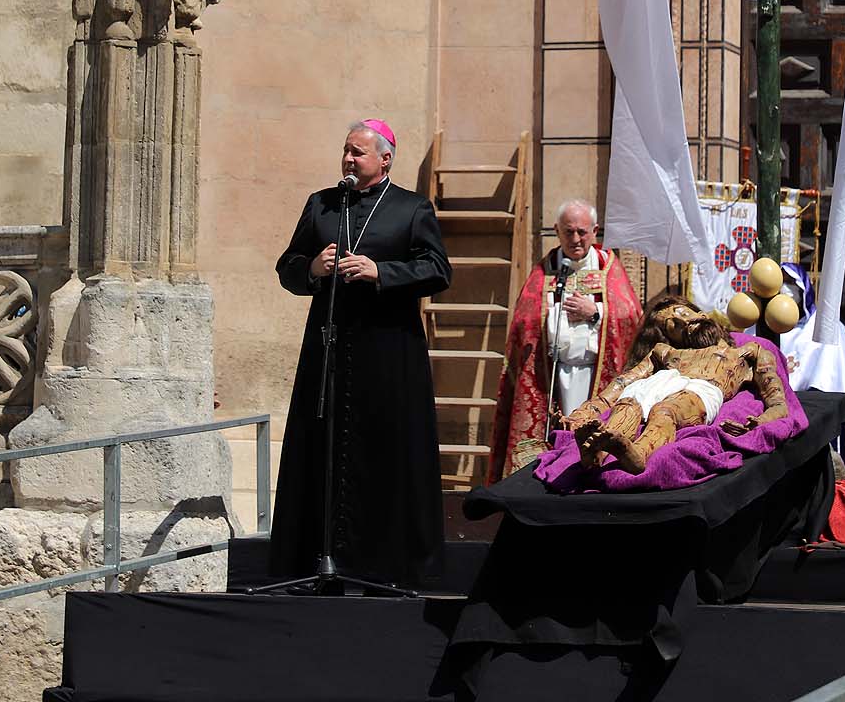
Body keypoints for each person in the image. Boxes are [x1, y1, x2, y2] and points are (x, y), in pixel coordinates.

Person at [269, 119, 452, 588]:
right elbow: (287, 266)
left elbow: (437, 269)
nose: (349, 160)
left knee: (385, 457)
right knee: (322, 452)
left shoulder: (412, 208)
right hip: (328, 351)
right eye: (346, 151)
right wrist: (312, 267)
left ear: (385, 159)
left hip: (389, 355)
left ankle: (386, 567)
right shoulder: (323, 205)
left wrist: (381, 272)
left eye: (359, 153)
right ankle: (317, 563)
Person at [487, 199, 642, 480]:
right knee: (556, 439)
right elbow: (524, 323)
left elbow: (631, 317)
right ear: (557, 230)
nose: (575, 239)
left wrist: (596, 312)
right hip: (552, 379)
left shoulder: (609, 269)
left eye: (582, 232)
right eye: (568, 232)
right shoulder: (543, 272)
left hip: (596, 377)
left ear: (595, 231)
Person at [566, 295, 789, 474]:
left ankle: (637, 455)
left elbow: (778, 403)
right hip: (663, 383)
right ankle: (597, 454)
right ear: (668, 337)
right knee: (630, 402)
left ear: (699, 312)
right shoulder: (665, 353)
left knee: (666, 409)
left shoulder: (747, 352)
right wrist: (583, 413)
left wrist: (760, 422)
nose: (684, 322)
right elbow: (622, 383)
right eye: (673, 324)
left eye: (682, 313)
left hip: (700, 390)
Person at [773, 262, 845, 460]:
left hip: (819, 413)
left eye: (791, 282)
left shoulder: (826, 326)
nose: (785, 288)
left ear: (803, 287)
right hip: (778, 414)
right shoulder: (765, 327)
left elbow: (832, 377)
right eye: (780, 282)